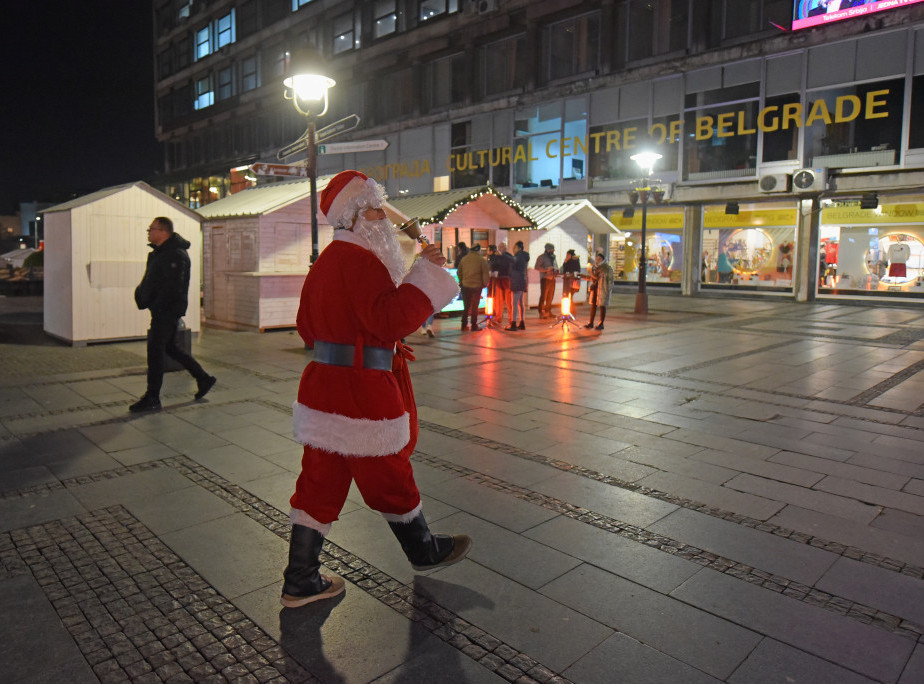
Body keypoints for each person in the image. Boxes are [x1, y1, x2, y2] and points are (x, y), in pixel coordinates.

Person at [282, 170, 470, 609]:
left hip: (324, 392)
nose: (383, 220)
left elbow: (305, 327)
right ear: (356, 216)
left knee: (318, 483)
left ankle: (300, 578)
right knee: (389, 474)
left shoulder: (327, 262)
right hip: (362, 392)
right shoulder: (362, 261)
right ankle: (422, 549)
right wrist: (428, 278)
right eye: (374, 210)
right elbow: (390, 321)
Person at [129, 217, 216, 412]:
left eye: (151, 229)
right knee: (170, 348)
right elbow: (153, 280)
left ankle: (152, 396)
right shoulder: (160, 253)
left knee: (155, 351)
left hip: (166, 310)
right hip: (161, 309)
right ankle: (203, 378)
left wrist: (157, 305)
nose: (149, 232)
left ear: (163, 231)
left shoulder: (175, 255)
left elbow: (173, 288)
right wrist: (142, 295)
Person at [457, 243, 489, 331]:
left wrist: (462, 281)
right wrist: (484, 284)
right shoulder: (481, 260)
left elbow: (459, 272)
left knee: (466, 306)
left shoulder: (464, 259)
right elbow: (485, 273)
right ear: (478, 250)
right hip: (477, 286)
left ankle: (463, 325)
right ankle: (474, 325)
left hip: (465, 286)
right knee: (475, 307)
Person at [585, 252, 614, 331]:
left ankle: (601, 323)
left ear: (602, 259)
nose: (597, 260)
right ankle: (591, 322)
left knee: (602, 306)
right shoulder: (594, 267)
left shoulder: (607, 268)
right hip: (594, 288)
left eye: (599, 259)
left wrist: (608, 290)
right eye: (596, 259)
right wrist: (583, 276)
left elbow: (610, 280)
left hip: (602, 289)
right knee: (593, 306)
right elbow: (592, 278)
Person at [488, 243, 513, 326]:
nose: (501, 249)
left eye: (502, 247)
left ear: (505, 248)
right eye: (500, 247)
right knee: (501, 300)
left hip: (504, 279)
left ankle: (509, 319)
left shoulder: (505, 256)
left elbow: (493, 266)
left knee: (506, 301)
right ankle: (501, 318)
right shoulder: (507, 256)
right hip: (503, 279)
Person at [507, 241, 529, 330]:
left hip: (516, 281)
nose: (513, 249)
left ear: (519, 248)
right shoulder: (524, 257)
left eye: (514, 247)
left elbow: (511, 267)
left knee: (514, 303)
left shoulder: (517, 257)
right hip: (522, 281)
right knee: (520, 303)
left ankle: (513, 323)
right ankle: (522, 322)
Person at [534, 243, 558, 318]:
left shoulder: (553, 257)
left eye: (553, 249)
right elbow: (537, 267)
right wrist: (546, 270)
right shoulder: (541, 257)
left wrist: (556, 270)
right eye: (551, 249)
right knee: (543, 296)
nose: (553, 251)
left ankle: (548, 311)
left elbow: (555, 265)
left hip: (553, 278)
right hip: (545, 278)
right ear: (547, 249)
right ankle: (541, 312)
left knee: (550, 296)